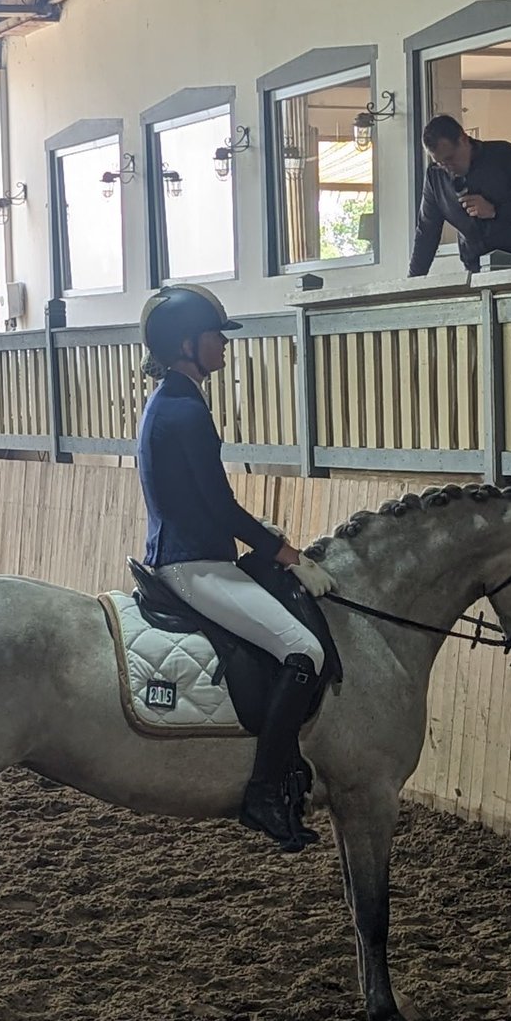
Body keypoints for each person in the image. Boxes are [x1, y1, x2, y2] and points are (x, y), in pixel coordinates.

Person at [137, 283, 332, 854]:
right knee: (305, 652)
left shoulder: (174, 398)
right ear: (185, 344)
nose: (223, 345)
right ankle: (265, 792)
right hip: (192, 565)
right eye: (214, 336)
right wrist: (286, 553)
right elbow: (220, 507)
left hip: (194, 552)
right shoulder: (183, 411)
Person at [409, 114, 511, 277]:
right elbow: (426, 233)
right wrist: (412, 284)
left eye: (451, 158)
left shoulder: (503, 155)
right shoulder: (435, 177)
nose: (448, 168)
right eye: (440, 163)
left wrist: (496, 211)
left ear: (463, 139)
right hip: (476, 272)